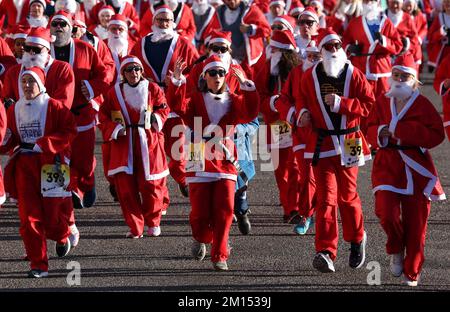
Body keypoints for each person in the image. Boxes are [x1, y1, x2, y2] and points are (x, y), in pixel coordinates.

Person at [168, 55, 259, 270]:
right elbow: (177, 106)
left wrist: (247, 88)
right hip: (198, 155)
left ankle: (220, 253)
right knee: (199, 212)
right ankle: (201, 237)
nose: (217, 76)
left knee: (225, 209)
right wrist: (178, 82)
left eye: (221, 73)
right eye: (213, 73)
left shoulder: (234, 100)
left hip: (225, 158)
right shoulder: (195, 100)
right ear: (204, 76)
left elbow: (250, 113)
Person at [297, 28, 374, 273]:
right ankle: (326, 251)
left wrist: (343, 104)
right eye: (328, 47)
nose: (333, 50)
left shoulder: (355, 74)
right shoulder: (309, 77)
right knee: (326, 200)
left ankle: (357, 238)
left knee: (348, 197)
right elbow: (301, 100)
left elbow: (369, 105)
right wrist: (302, 114)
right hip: (323, 144)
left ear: (342, 48)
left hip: (350, 140)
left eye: (336, 45)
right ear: (320, 51)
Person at [366, 54, 446, 286]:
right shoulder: (382, 100)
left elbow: (436, 134)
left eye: (405, 76)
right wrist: (379, 132)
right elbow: (369, 125)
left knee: (417, 222)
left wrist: (401, 130)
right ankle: (395, 248)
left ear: (415, 80)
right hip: (387, 163)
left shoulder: (422, 104)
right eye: (396, 75)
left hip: (415, 167)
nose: (400, 79)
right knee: (385, 212)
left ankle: (413, 269)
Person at [0, 67, 77, 278]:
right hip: (24, 166)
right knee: (29, 218)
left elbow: (70, 131)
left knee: (52, 217)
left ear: (40, 84)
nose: (26, 86)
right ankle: (39, 265)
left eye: (31, 82)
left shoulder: (55, 106)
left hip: (51, 163)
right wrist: (5, 141)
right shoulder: (14, 109)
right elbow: (10, 138)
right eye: (23, 82)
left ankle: (63, 235)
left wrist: (45, 144)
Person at [131, 5, 199, 204]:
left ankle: (181, 176)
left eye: (167, 21)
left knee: (177, 150)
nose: (163, 24)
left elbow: (196, 72)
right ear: (153, 22)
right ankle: (162, 199)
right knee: (155, 152)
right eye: (160, 20)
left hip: (175, 103)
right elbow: (131, 67)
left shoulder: (184, 44)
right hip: (150, 105)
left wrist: (179, 79)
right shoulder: (142, 43)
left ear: (173, 23)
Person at [99, 55, 170, 238]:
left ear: (141, 71)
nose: (134, 73)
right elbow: (103, 115)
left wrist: (157, 118)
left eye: (137, 69)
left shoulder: (152, 88)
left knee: (151, 184)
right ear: (123, 73)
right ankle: (135, 227)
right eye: (129, 70)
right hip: (124, 142)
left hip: (148, 140)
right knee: (125, 187)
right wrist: (115, 129)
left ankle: (153, 222)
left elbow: (163, 107)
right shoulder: (113, 93)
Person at [50, 11, 111, 210]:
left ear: (71, 28)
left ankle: (86, 184)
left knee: (83, 159)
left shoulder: (85, 48)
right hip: (53, 117)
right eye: (55, 24)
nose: (59, 27)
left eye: (63, 24)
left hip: (82, 112)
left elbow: (104, 74)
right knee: (56, 157)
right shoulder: (41, 50)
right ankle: (63, 194)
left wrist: (93, 88)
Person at [274, 42, 322, 234]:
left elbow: (362, 99)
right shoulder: (296, 73)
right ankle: (304, 213)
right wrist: (294, 114)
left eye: (318, 55)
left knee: (333, 183)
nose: (314, 59)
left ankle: (325, 209)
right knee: (298, 173)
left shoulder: (339, 72)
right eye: (310, 55)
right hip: (292, 129)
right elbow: (282, 100)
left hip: (328, 136)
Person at [255, 29, 303, 224]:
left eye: (275, 49)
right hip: (275, 125)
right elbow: (258, 97)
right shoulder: (266, 69)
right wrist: (272, 103)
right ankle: (288, 206)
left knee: (295, 168)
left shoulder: (298, 71)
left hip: (295, 124)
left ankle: (296, 207)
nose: (271, 52)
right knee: (280, 169)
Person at [343, 0, 403, 98]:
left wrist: (384, 40)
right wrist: (349, 47)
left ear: (378, 2)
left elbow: (398, 45)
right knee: (363, 102)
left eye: (373, 0)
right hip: (361, 70)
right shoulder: (355, 22)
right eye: (366, 1)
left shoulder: (386, 23)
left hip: (381, 71)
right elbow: (345, 40)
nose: (369, 3)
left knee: (384, 104)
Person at [204, 0, 271, 78]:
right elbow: (211, 31)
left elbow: (267, 30)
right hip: (226, 56)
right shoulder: (219, 12)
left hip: (248, 59)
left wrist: (251, 29)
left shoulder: (251, 10)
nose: (232, 2)